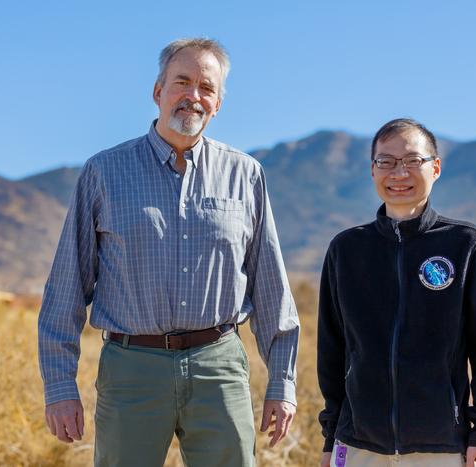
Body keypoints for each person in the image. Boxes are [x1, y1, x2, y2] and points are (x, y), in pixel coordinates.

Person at [38, 38, 299, 467]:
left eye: (206, 87)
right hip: (130, 371)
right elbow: (66, 288)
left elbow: (271, 286)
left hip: (219, 368)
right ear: (158, 91)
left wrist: (282, 383)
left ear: (218, 103)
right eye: (182, 82)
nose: (193, 96)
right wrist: (60, 387)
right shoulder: (104, 172)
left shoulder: (245, 175)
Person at [317, 118, 476, 467]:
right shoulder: (346, 250)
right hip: (357, 445)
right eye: (386, 162)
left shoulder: (466, 244)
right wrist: (332, 437)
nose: (398, 173)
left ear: (435, 168)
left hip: (440, 447)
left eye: (412, 161)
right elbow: (332, 351)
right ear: (372, 171)